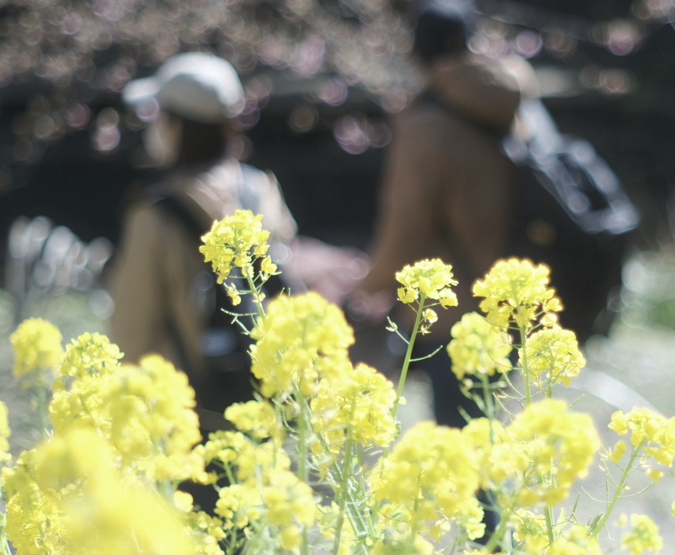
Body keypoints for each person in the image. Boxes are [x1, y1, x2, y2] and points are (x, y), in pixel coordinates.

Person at [110, 52, 366, 428]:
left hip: (188, 418)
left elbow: (133, 329)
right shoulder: (261, 188)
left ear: (175, 126)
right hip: (269, 404)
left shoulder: (154, 214)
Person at [353, 1, 531, 428]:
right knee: (490, 441)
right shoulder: (510, 106)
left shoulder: (427, 126)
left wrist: (365, 287)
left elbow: (406, 228)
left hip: (453, 310)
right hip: (512, 296)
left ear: (416, 51)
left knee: (461, 455)